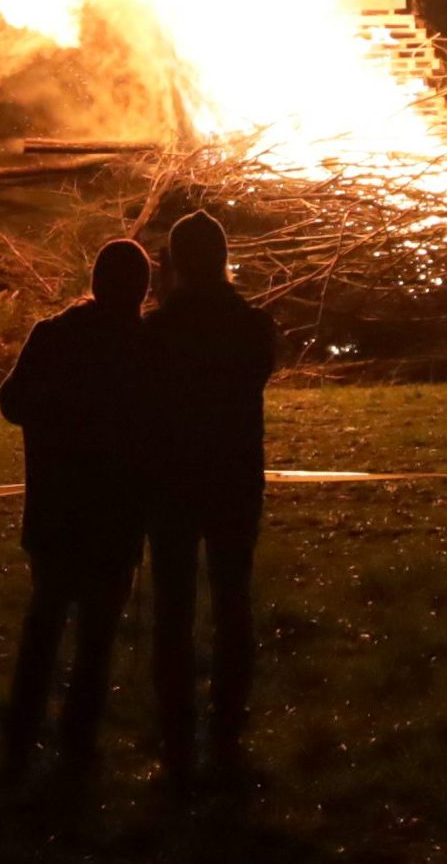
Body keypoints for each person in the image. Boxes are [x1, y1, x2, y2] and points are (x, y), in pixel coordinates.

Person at [0, 237, 152, 777]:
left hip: (56, 513)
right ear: (140, 292)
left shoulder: (54, 335)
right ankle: (76, 746)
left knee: (44, 626)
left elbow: (11, 402)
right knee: (95, 639)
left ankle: (19, 742)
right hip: (114, 519)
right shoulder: (145, 347)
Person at [144, 209, 277, 790]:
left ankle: (177, 740)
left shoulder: (156, 331)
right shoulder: (254, 327)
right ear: (224, 260)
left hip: (172, 483)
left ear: (174, 262)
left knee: (173, 611)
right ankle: (227, 729)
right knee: (232, 603)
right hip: (233, 480)